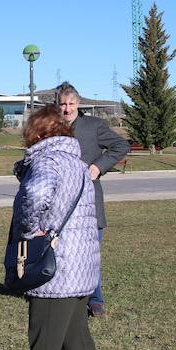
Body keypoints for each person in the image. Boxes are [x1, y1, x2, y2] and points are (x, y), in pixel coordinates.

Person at [5, 104, 111, 350]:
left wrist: (27, 230)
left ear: (37, 133)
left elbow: (35, 197)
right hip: (79, 267)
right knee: (76, 338)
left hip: (55, 273)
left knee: (43, 348)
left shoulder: (47, 161)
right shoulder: (78, 164)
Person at [56, 83, 130, 317]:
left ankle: (95, 299)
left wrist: (99, 166)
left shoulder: (94, 126)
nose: (67, 109)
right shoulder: (50, 127)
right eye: (62, 104)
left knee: (89, 254)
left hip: (89, 204)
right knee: (60, 253)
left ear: (78, 104)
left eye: (71, 104)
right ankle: (60, 294)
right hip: (59, 205)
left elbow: (121, 145)